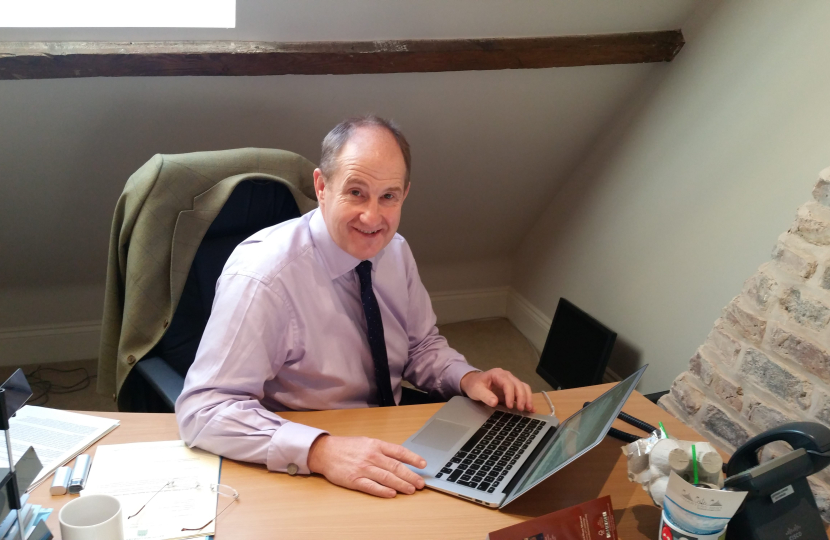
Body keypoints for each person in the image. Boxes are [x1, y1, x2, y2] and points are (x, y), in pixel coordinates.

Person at [176, 115, 536, 499]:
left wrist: (468, 378)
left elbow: (420, 346)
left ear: (404, 194)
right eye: (356, 192)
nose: (372, 217)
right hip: (311, 452)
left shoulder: (395, 251)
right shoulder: (263, 278)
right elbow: (205, 410)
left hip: (388, 432)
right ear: (322, 187)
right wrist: (319, 450)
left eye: (388, 196)